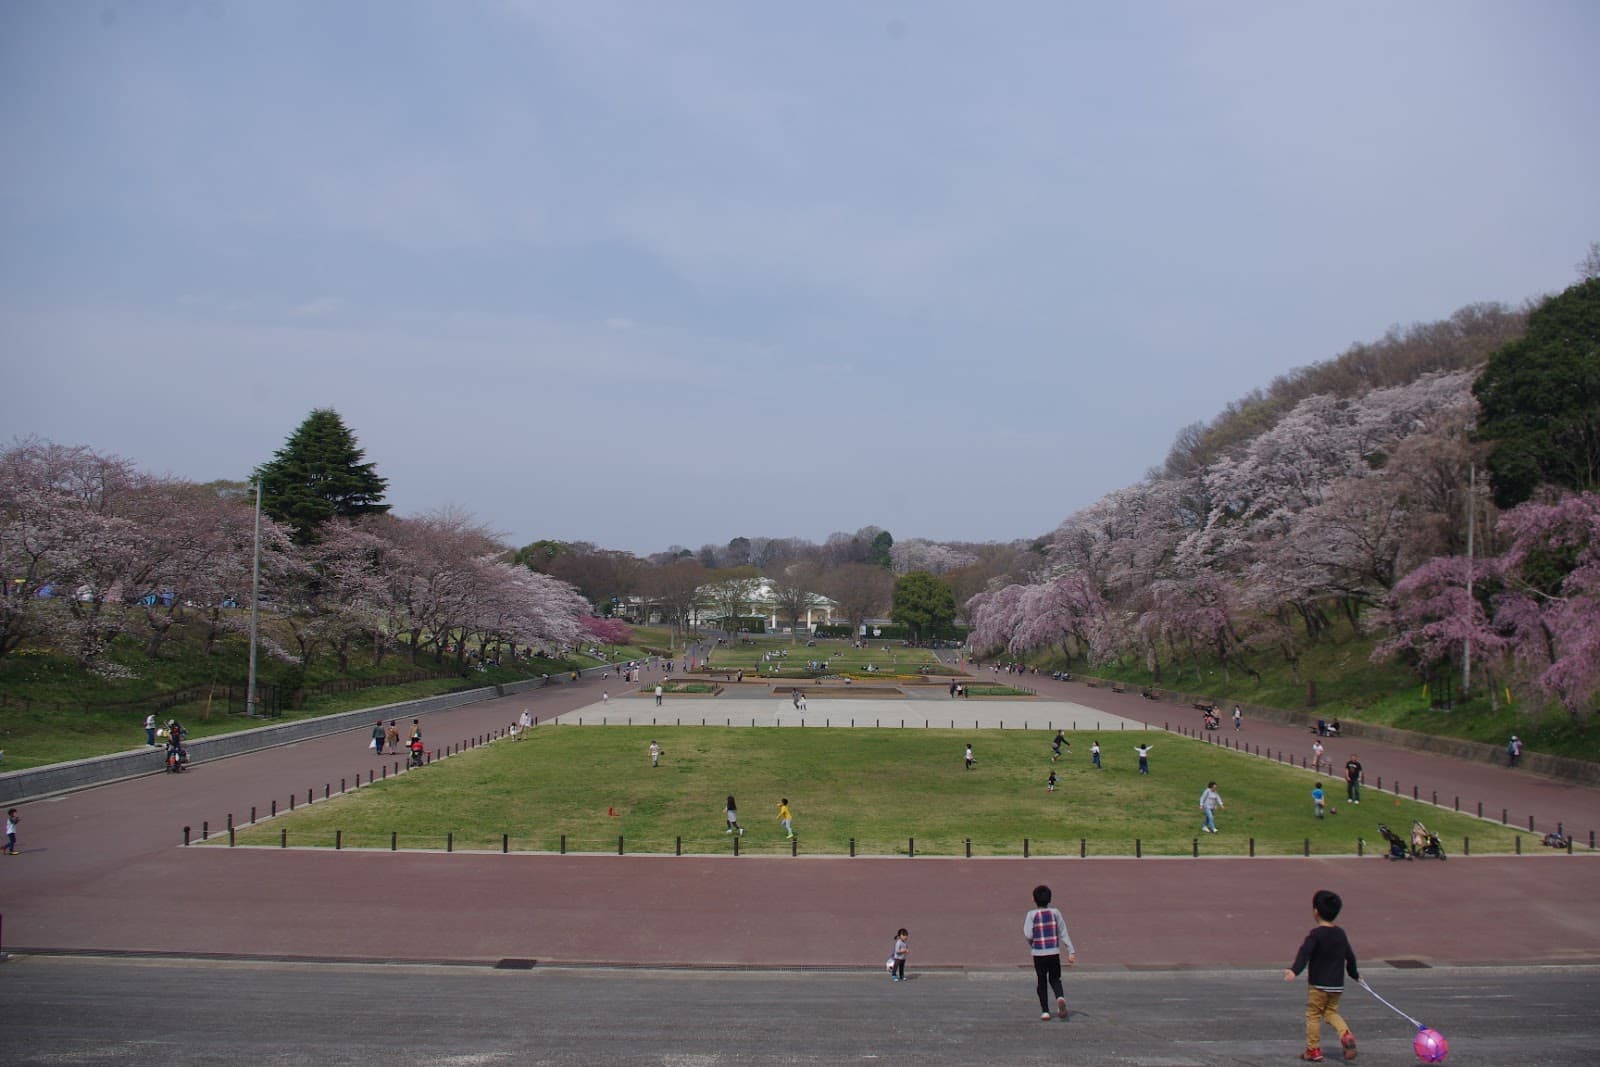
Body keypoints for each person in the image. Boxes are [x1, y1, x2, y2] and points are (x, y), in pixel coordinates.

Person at [1283, 889, 1360, 1062]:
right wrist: (1355, 975)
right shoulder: (1340, 934)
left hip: (1318, 985)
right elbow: (1350, 956)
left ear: (1316, 911)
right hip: (1337, 985)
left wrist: (1294, 970)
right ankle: (1345, 1034)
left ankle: (1313, 1050)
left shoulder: (1316, 935)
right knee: (1331, 1013)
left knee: (1314, 1015)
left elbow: (1305, 953)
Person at [1023, 884, 1076, 1021]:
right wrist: (1071, 951)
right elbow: (1063, 932)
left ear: (1033, 899)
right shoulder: (1055, 913)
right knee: (1055, 979)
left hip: (1039, 953)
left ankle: (1045, 1011)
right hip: (1054, 953)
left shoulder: (1031, 914)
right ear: (1050, 899)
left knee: (1042, 982)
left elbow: (1028, 934)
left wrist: (1032, 944)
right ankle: (1060, 997)